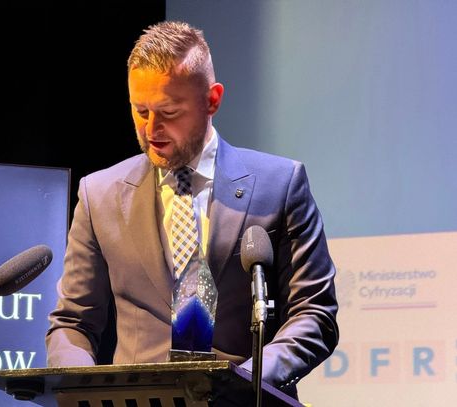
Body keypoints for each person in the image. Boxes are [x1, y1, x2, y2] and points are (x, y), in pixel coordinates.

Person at [46, 20, 339, 400]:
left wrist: (244, 383)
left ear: (212, 100)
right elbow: (73, 323)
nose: (152, 129)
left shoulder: (280, 184)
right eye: (140, 110)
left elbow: (314, 315)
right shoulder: (99, 194)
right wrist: (81, 390)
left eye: (169, 112)